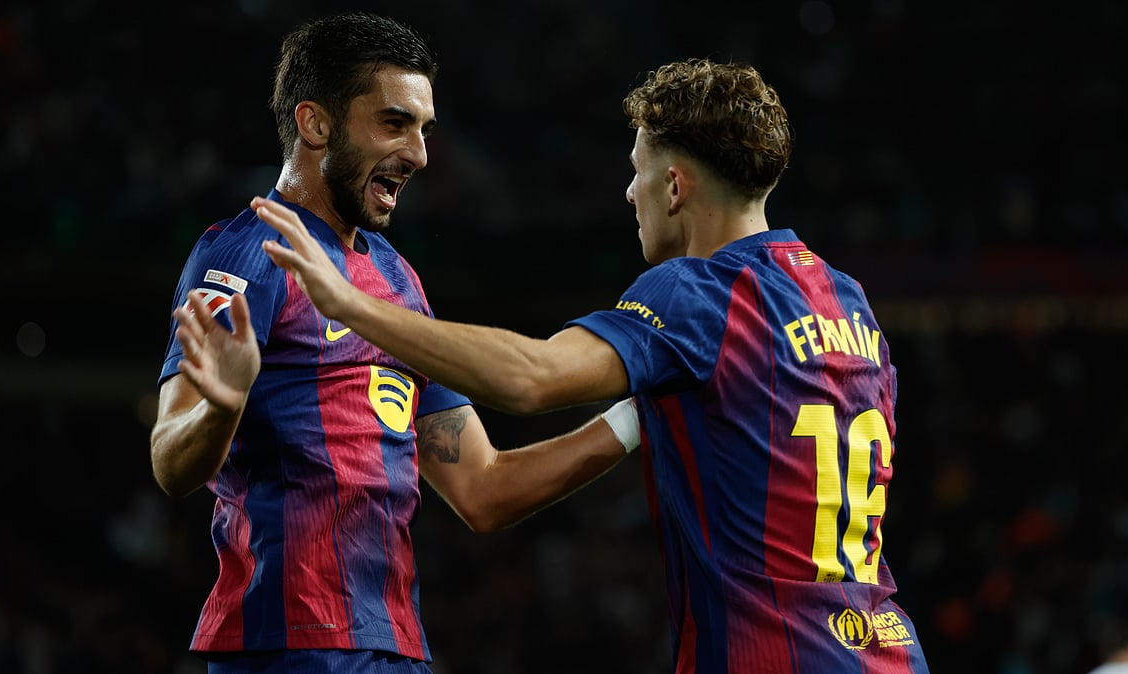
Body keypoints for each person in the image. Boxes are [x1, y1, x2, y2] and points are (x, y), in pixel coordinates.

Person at [254, 58, 931, 672]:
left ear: (673, 186)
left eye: (636, 172)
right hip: (886, 648)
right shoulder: (847, 300)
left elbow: (532, 378)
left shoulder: (696, 291)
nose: (629, 194)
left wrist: (348, 302)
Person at [150, 11, 639, 673]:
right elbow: (170, 463)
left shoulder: (397, 281)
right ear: (315, 123)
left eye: (424, 129)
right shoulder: (251, 254)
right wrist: (222, 405)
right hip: (287, 646)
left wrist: (638, 418)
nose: (419, 153)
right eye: (393, 122)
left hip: (395, 649)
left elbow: (484, 489)